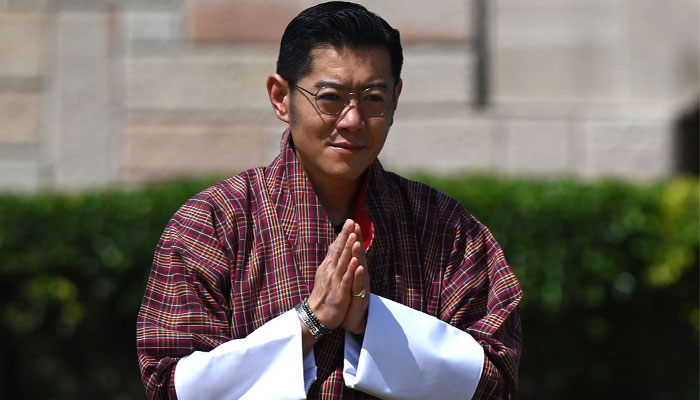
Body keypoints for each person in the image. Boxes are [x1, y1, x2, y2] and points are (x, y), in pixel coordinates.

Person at [136, 2, 522, 399]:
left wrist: (373, 321)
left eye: (373, 97)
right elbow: (169, 384)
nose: (353, 119)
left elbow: (495, 378)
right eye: (331, 97)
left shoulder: (446, 229)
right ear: (281, 97)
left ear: (395, 100)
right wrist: (309, 322)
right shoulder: (212, 224)